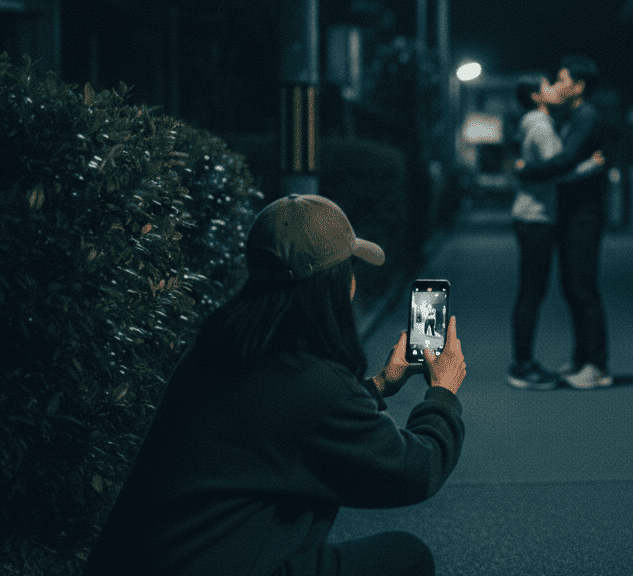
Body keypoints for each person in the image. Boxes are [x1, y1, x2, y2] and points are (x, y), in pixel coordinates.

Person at [83, 194, 467, 576]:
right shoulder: (309, 379)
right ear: (334, 285)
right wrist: (443, 392)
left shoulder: (220, 349)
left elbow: (285, 418)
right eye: (349, 269)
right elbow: (416, 470)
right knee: (406, 557)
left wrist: (380, 383)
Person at [516, 55, 612, 390]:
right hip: (572, 214)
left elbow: (565, 159)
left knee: (583, 288)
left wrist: (526, 171)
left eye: (562, 79)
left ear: (579, 86)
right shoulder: (570, 116)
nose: (557, 84)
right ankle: (582, 358)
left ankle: (597, 365)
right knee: (572, 288)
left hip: (585, 215)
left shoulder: (586, 115)